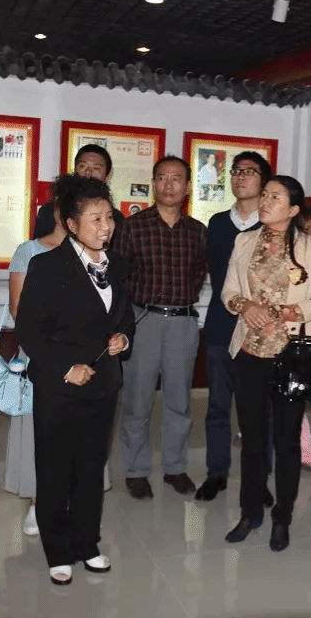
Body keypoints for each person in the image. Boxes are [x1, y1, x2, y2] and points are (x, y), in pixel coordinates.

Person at [16, 175, 134, 585]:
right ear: (71, 223)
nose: (106, 226)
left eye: (109, 217)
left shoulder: (117, 266)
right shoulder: (46, 266)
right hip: (59, 386)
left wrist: (123, 339)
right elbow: (29, 331)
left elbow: (124, 318)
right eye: (95, 219)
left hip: (103, 386)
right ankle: (58, 550)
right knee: (54, 470)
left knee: (90, 468)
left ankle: (87, 544)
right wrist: (66, 367)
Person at [222, 175, 311, 552]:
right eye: (264, 195)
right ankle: (249, 511)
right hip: (250, 352)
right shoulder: (244, 241)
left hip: (291, 355)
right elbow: (229, 291)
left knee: (286, 442)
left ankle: (282, 517)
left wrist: (287, 311)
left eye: (275, 197)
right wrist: (244, 305)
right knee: (252, 440)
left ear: (293, 209)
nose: (265, 202)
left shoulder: (310, 245)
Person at [114, 155, 208, 500]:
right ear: (153, 183)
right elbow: (119, 278)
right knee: (137, 401)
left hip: (182, 323)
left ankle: (175, 468)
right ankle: (136, 471)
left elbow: (198, 274)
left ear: (187, 186)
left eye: (177, 178)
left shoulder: (198, 231)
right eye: (162, 178)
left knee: (179, 403)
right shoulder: (132, 227)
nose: (169, 185)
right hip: (143, 321)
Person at [196, 151, 269, 502]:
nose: (241, 177)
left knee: (258, 409)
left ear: (263, 181)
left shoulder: (271, 225)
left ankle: (258, 479)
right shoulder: (217, 223)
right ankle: (216, 472)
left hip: (260, 328)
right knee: (218, 405)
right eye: (237, 171)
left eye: (250, 172)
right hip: (221, 322)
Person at [3, 179, 72, 537]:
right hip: (40, 353)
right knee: (37, 430)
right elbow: (18, 309)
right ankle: (37, 500)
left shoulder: (94, 252)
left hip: (81, 355)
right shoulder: (28, 251)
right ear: (55, 209)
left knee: (78, 429)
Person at [33, 144, 124, 238]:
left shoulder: (115, 218)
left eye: (96, 168)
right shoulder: (51, 211)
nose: (88, 172)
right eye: (82, 166)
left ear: (107, 176)